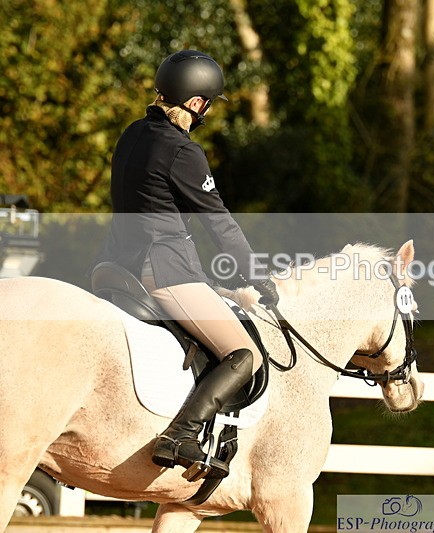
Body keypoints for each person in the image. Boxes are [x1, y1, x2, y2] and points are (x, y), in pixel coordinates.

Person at [94, 50, 278, 480]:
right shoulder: (183, 152)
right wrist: (258, 277)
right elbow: (221, 225)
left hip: (113, 265)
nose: (208, 112)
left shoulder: (132, 135)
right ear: (196, 103)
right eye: (209, 104)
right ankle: (182, 434)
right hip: (162, 270)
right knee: (244, 352)